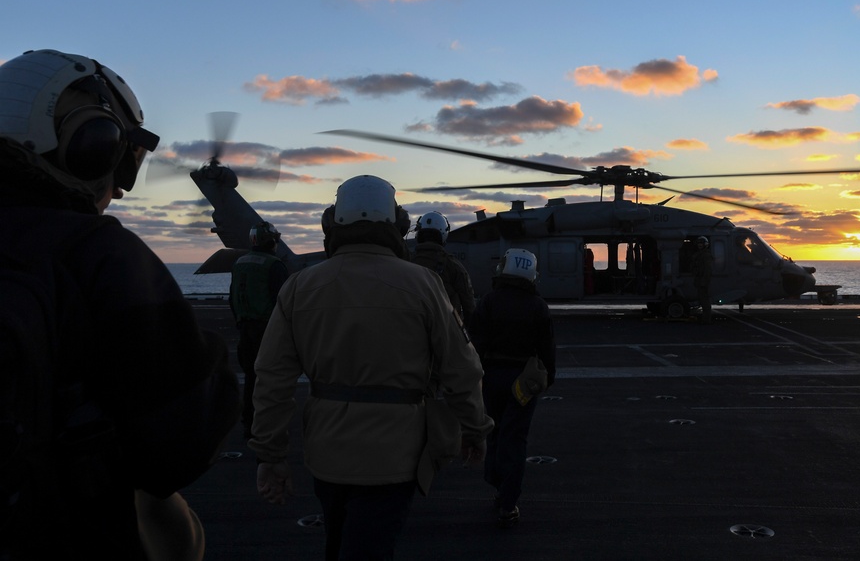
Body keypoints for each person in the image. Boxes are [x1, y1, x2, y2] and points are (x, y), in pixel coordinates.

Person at [0, 49, 240, 559]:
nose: (120, 191)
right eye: (122, 164)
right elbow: (182, 443)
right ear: (91, 144)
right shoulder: (94, 251)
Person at [250, 174, 493, 560]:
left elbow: (271, 381)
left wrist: (270, 456)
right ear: (397, 226)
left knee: (339, 540)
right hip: (396, 456)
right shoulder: (425, 284)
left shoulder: (299, 287)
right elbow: (462, 369)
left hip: (326, 453)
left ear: (331, 225)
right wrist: (476, 428)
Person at [468, 248, 556, 529]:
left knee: (493, 431)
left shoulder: (490, 301)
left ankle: (496, 482)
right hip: (523, 382)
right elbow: (547, 350)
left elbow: (475, 343)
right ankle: (508, 503)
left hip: (492, 376)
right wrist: (547, 378)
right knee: (515, 438)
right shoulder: (538, 305)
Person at [229, 221, 289, 439]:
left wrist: (239, 321)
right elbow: (283, 301)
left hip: (245, 328)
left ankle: (249, 425)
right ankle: (270, 426)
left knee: (251, 379)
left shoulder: (239, 263)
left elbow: (232, 297)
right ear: (271, 241)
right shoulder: (274, 265)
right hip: (267, 330)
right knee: (272, 381)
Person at [411, 210, 476, 320]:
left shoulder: (406, 261)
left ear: (419, 234)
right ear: (443, 234)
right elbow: (468, 303)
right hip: (445, 330)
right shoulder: (453, 266)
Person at [692, 235, 714, 324]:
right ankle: (705, 318)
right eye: (699, 243)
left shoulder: (706, 255)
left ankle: (706, 319)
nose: (699, 245)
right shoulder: (699, 254)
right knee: (702, 299)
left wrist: (704, 281)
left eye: (701, 243)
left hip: (703, 281)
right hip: (699, 279)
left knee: (705, 300)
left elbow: (707, 270)